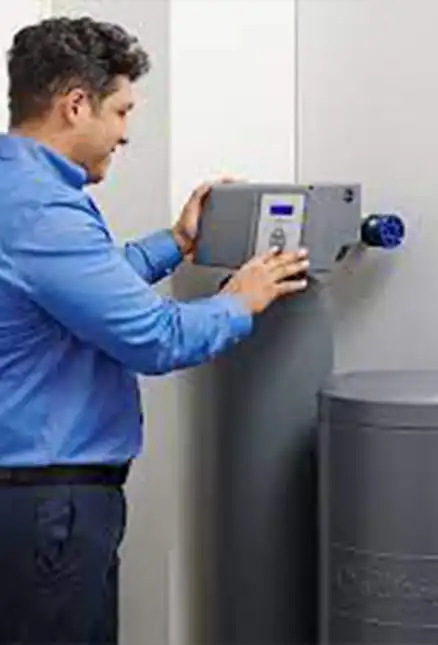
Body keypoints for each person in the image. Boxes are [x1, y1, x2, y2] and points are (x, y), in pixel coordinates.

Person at [0, 15, 309, 645]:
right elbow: (155, 337)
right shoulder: (41, 209)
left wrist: (175, 242)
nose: (125, 133)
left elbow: (83, 289)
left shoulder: (17, 189)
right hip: (46, 505)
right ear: (75, 105)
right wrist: (240, 301)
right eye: (120, 111)